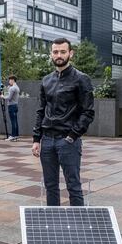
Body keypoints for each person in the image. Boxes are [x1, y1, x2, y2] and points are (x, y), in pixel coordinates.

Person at [31, 38, 94, 206]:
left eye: (63, 52)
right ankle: (53, 224)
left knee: (73, 186)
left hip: (68, 141)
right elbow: (41, 110)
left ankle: (78, 226)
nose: (59, 55)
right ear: (51, 54)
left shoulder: (81, 79)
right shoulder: (46, 80)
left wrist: (73, 136)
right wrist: (37, 139)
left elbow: (88, 112)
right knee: (50, 186)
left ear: (70, 53)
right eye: (55, 52)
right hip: (48, 140)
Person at [4, 75, 20, 141]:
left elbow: (9, 97)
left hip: (11, 106)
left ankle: (13, 136)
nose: (9, 81)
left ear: (13, 80)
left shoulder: (12, 88)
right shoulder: (16, 87)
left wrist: (2, 96)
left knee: (13, 122)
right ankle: (16, 135)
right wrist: (7, 89)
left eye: (10, 80)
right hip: (15, 105)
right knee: (15, 121)